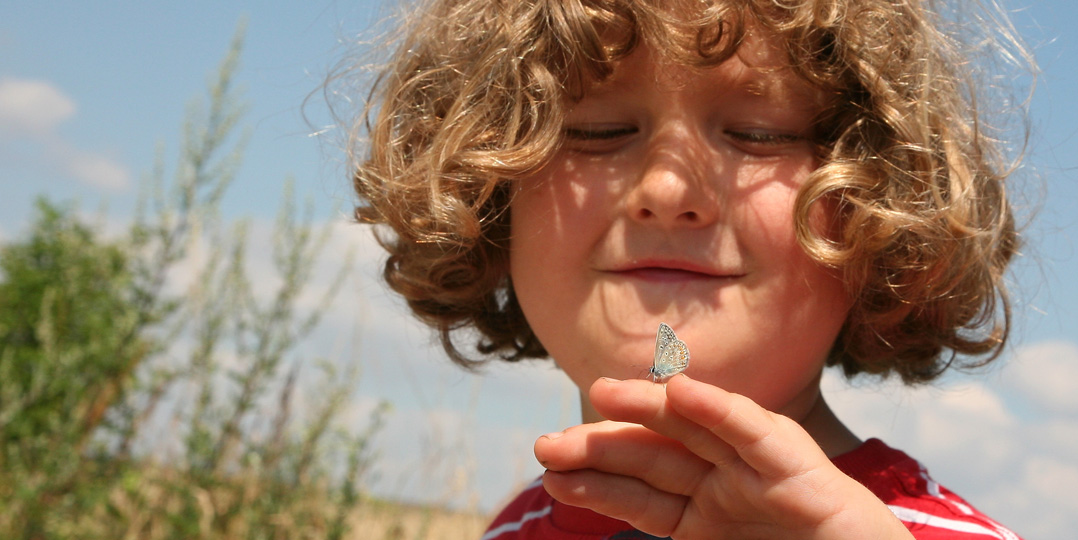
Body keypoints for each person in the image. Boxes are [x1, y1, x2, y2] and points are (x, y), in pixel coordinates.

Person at [350, 0, 1031, 538]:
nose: (667, 190)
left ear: (881, 199)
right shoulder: (516, 530)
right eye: (597, 129)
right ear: (488, 192)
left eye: (759, 133)